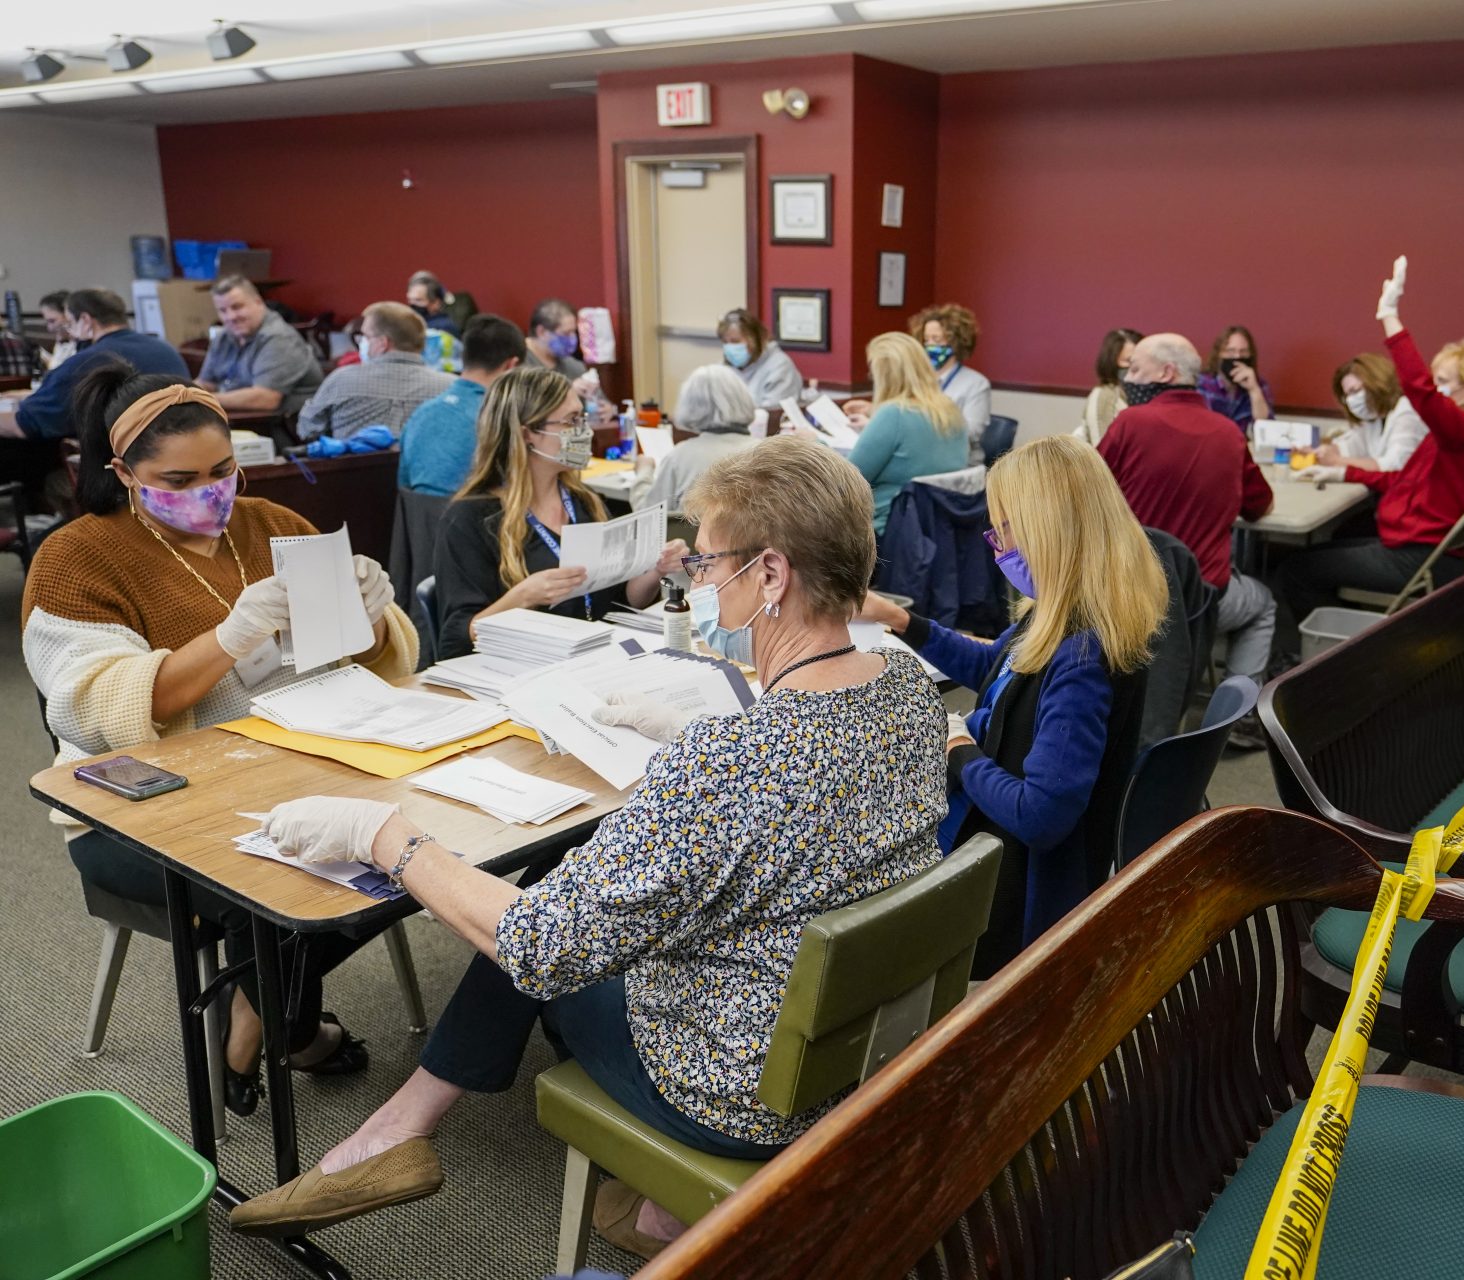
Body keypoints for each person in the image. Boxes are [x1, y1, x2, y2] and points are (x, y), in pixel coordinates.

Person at [228, 436, 950, 1259]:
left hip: (741, 1091)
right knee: (576, 880)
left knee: (533, 919)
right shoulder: (905, 690)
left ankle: (411, 1137)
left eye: (710, 568)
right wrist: (703, 738)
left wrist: (383, 834)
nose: (702, 586)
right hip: (862, 1047)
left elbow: (540, 946)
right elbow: (811, 805)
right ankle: (406, 1131)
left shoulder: (729, 764)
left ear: (773, 575)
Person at [20, 366, 417, 1114]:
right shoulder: (76, 558)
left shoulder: (274, 525)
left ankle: (258, 1018)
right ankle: (287, 1030)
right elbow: (94, 713)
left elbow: (358, 664)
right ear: (122, 474)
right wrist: (232, 634)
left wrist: (370, 615)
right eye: (178, 478)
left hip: (293, 765)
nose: (209, 493)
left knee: (422, 842)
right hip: (138, 804)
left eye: (223, 471)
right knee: (288, 883)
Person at [861, 435, 1165, 973]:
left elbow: (1039, 815)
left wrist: (960, 751)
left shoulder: (1080, 658)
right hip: (1006, 841)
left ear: (1047, 535)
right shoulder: (1069, 611)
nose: (996, 545)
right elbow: (996, 671)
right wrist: (903, 621)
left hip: (1018, 886)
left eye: (1003, 530)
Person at [1280, 260, 1464, 660]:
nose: (1435, 389)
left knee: (1294, 570)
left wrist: (1389, 317)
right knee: (1311, 555)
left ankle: (1331, 660)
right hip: (1415, 547)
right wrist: (1339, 469)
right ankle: (1349, 649)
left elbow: (1418, 389)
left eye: (1445, 382)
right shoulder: (1457, 435)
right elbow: (1399, 479)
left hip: (1416, 558)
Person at [433, 368, 684, 659]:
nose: (584, 431)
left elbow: (617, 603)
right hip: (523, 672)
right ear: (527, 433)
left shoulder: (585, 502)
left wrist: (655, 570)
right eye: (571, 421)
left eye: (583, 418)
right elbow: (457, 640)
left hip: (597, 659)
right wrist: (524, 597)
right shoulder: (470, 519)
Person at [1096, 333, 1276, 686]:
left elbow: (1085, 495)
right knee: (1263, 603)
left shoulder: (1130, 424)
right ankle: (1236, 716)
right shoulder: (1230, 434)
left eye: (1134, 369)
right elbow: (1260, 507)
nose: (1127, 379)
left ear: (1166, 373)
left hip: (1127, 597)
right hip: (1201, 601)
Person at [0, 290, 188, 440]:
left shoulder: (85, 362)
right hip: (177, 451)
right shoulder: (166, 349)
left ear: (85, 320)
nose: (71, 333)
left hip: (117, 470)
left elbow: (26, 424)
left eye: (71, 324)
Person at [841, 332, 970, 533]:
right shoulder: (949, 410)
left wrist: (815, 444)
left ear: (884, 376)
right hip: (939, 531)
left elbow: (846, 480)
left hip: (887, 532)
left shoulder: (894, 414)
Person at [398, 314, 526, 497]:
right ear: (511, 366)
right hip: (480, 521)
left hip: (418, 522)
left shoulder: (419, 414)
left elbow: (404, 485)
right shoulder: (502, 421)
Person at [849, 304, 993, 462]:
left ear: (956, 341)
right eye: (926, 339)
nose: (930, 345)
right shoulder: (916, 378)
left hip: (961, 464)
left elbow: (970, 434)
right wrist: (872, 410)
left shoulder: (976, 384)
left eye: (937, 339)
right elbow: (905, 414)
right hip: (920, 457)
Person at [297, 303, 454, 441]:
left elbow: (307, 431)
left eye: (365, 336)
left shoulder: (341, 379)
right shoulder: (451, 387)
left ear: (383, 343)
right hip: (423, 473)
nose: (361, 342)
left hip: (353, 473)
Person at [197, 275, 324, 416]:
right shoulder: (224, 338)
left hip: (282, 424)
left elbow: (265, 399)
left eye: (237, 307)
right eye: (223, 310)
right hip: (238, 417)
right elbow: (207, 383)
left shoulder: (279, 338)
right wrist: (182, 395)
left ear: (258, 302)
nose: (231, 317)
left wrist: (203, 400)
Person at [639, 364, 757, 512]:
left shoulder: (679, 457)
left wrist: (643, 472)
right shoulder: (766, 452)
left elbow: (648, 517)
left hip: (690, 536)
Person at [1319, 352, 1427, 473]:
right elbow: (1350, 446)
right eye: (1346, 396)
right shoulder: (1374, 417)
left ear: (1376, 382)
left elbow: (1396, 464)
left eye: (1354, 391)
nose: (1350, 400)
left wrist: (1336, 461)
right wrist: (1318, 453)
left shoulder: (1406, 409)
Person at [716, 307, 802, 409]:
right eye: (725, 342)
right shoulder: (721, 369)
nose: (730, 347)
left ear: (755, 340)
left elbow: (773, 416)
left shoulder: (779, 367)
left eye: (735, 341)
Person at [1196, 325, 1275, 432]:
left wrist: (1254, 390)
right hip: (1210, 444)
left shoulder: (1260, 386)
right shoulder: (1201, 383)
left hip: (1241, 445)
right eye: (1230, 351)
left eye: (1243, 351)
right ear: (1219, 354)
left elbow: (1266, 429)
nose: (1237, 357)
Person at [1076, 327, 1142, 446]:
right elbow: (1103, 452)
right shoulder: (1105, 397)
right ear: (1111, 362)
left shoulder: (1143, 393)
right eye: (1128, 361)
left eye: (1140, 360)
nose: (1135, 367)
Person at [527, 298, 588, 381]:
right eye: (566, 333)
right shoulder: (517, 363)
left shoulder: (574, 366)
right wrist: (568, 390)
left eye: (574, 331)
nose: (572, 339)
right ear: (541, 332)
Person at [406, 270, 461, 336]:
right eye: (410, 299)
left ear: (436, 303)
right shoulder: (412, 324)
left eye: (418, 300)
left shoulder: (444, 328)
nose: (412, 304)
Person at [39, 290, 78, 371]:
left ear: (69, 316)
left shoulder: (83, 344)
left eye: (52, 321)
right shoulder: (63, 341)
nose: (50, 328)